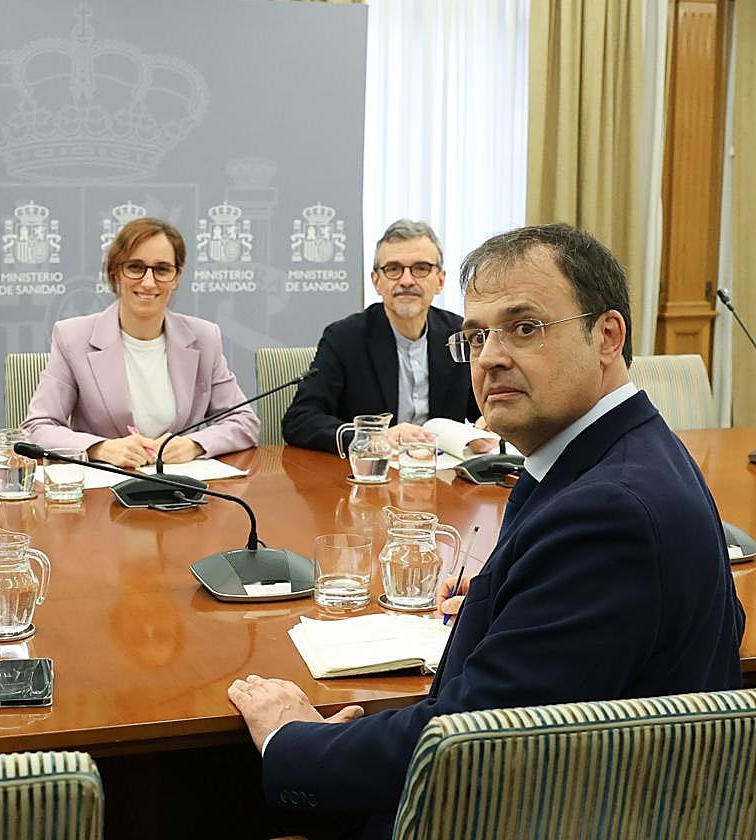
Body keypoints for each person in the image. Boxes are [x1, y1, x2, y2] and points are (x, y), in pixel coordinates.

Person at [229, 224, 744, 838]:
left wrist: (293, 741)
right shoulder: (631, 449)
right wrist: (512, 597)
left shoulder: (610, 511)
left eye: (524, 328)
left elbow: (472, 742)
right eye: (477, 337)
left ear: (607, 336)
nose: (491, 357)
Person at [22, 217, 259, 468]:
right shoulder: (73, 337)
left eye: (162, 269)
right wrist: (101, 448)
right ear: (116, 272)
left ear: (176, 277)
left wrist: (194, 444)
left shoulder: (204, 338)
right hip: (105, 487)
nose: (148, 282)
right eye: (135, 267)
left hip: (183, 485)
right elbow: (37, 428)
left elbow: (244, 421)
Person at [283, 219, 486, 453]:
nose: (407, 281)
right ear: (376, 281)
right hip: (373, 469)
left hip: (443, 470)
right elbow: (300, 420)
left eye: (421, 268)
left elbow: (481, 409)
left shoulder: (459, 336)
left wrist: (487, 425)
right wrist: (371, 437)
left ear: (440, 280)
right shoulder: (344, 338)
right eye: (393, 269)